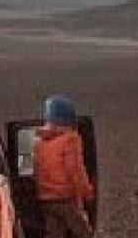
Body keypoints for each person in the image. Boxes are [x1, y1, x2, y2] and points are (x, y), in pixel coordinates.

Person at [33, 95, 95, 237]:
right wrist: (86, 191)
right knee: (83, 232)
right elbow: (75, 169)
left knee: (54, 233)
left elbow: (36, 171)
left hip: (46, 198)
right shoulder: (70, 139)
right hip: (65, 198)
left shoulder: (39, 143)